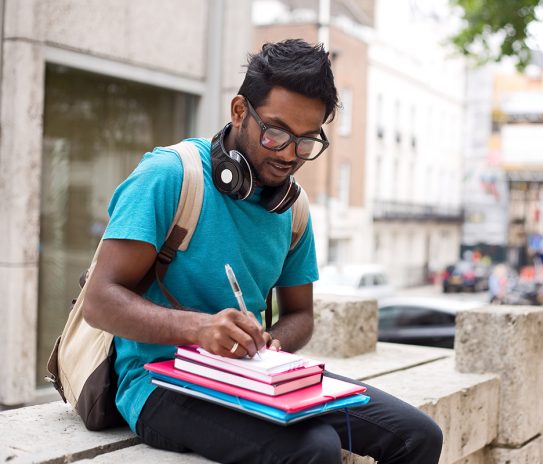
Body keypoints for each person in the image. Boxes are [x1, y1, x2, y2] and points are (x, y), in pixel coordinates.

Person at [82, 39, 442, 463]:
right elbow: (100, 301)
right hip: (158, 383)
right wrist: (201, 330)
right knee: (315, 450)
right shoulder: (169, 176)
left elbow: (301, 316)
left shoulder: (293, 209)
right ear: (239, 111)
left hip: (250, 375)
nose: (290, 154)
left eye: (307, 142)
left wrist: (268, 343)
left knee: (418, 436)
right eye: (276, 133)